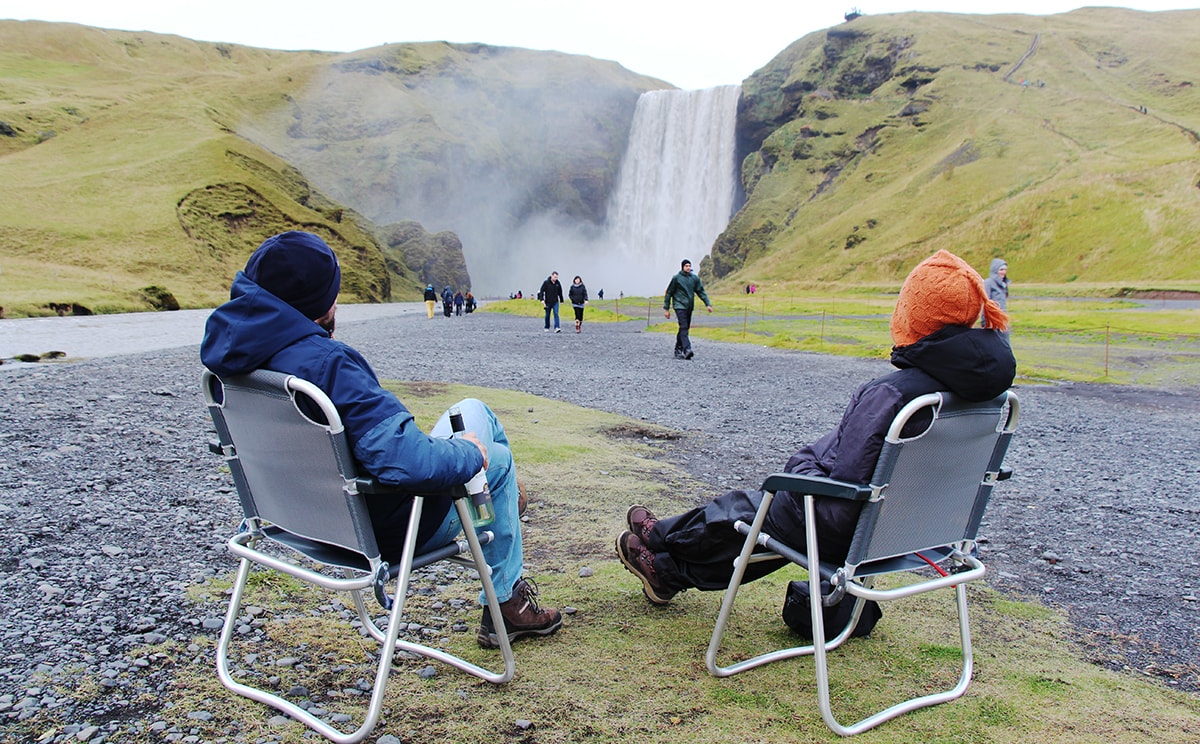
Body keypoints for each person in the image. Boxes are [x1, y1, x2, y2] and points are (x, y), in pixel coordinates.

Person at [200, 231, 561, 648]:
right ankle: (505, 593)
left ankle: (505, 507)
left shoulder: (233, 362)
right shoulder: (327, 365)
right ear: (319, 304)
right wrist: (468, 455)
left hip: (300, 521)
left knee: (475, 408)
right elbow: (404, 463)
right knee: (491, 454)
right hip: (382, 531)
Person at [617, 249, 1013, 604]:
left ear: (913, 315)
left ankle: (660, 538)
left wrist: (799, 470)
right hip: (915, 531)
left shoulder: (893, 395)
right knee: (767, 520)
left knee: (752, 509)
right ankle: (665, 571)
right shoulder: (990, 397)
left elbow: (844, 493)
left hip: (856, 531)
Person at [663, 259, 713, 360]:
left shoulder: (694, 278)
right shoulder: (676, 278)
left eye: (689, 266)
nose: (688, 267)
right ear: (682, 267)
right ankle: (687, 349)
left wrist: (708, 304)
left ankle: (678, 348)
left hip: (689, 307)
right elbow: (669, 293)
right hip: (679, 306)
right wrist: (666, 309)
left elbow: (701, 292)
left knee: (684, 328)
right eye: (686, 266)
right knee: (684, 326)